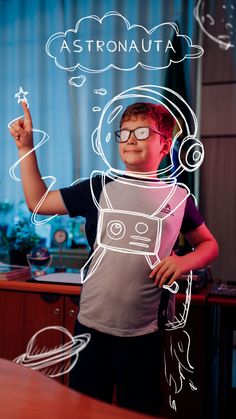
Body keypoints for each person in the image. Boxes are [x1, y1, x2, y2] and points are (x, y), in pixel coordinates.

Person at [9, 100, 219, 417]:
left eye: (142, 131)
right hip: (90, 328)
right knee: (83, 409)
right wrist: (26, 147)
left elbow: (209, 244)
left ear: (166, 143)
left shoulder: (178, 197)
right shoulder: (99, 186)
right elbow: (38, 202)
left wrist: (183, 262)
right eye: (124, 133)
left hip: (143, 335)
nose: (131, 138)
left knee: (139, 410)